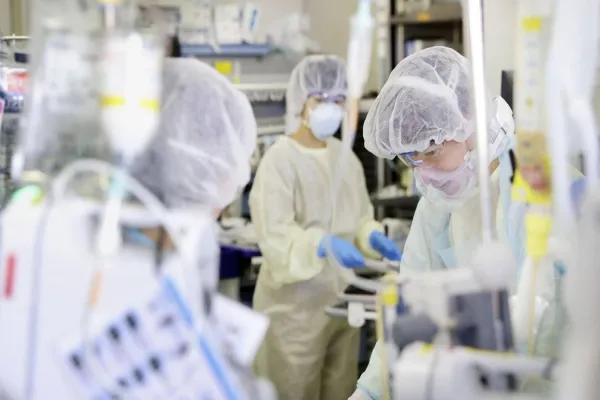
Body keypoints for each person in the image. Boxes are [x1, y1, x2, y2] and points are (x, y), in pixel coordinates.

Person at [348, 46, 583, 400]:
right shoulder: (436, 208)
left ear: (470, 122)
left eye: (431, 151)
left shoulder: (549, 190)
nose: (423, 174)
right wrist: (368, 392)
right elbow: (408, 320)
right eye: (411, 159)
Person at [249, 54, 402, 400]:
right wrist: (321, 244)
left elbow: (358, 217)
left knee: (342, 391)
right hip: (292, 314)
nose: (330, 107)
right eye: (320, 99)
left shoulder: (345, 158)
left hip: (340, 305)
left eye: (338, 99)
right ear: (301, 101)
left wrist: (370, 235)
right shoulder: (279, 160)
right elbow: (275, 236)